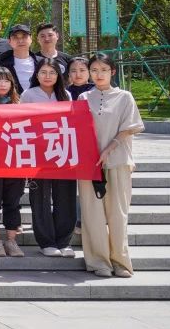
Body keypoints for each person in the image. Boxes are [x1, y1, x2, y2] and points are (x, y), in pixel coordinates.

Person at [79, 53, 143, 278]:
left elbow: (129, 128)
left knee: (118, 213)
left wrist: (109, 148)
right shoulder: (83, 97)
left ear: (112, 72)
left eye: (104, 70)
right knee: (92, 214)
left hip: (118, 161)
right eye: (94, 70)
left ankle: (120, 261)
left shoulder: (125, 97)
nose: (99, 74)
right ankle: (98, 261)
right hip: (89, 165)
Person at [21, 60, 78, 258]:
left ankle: (64, 241)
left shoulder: (65, 95)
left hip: (62, 152)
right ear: (36, 75)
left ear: (58, 76)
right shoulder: (28, 95)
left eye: (52, 72)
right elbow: (22, 123)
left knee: (66, 197)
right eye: (43, 72)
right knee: (40, 198)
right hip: (38, 154)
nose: (47, 76)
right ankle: (46, 242)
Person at [0, 66, 26, 257]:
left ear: (12, 84)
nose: (2, 84)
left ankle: (11, 241)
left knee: (13, 202)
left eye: (6, 80)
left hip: (15, 162)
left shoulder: (21, 106)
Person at [0, 24, 42, 93]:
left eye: (24, 36)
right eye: (15, 37)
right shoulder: (0, 64)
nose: (20, 41)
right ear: (9, 41)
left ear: (31, 39)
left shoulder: (42, 63)